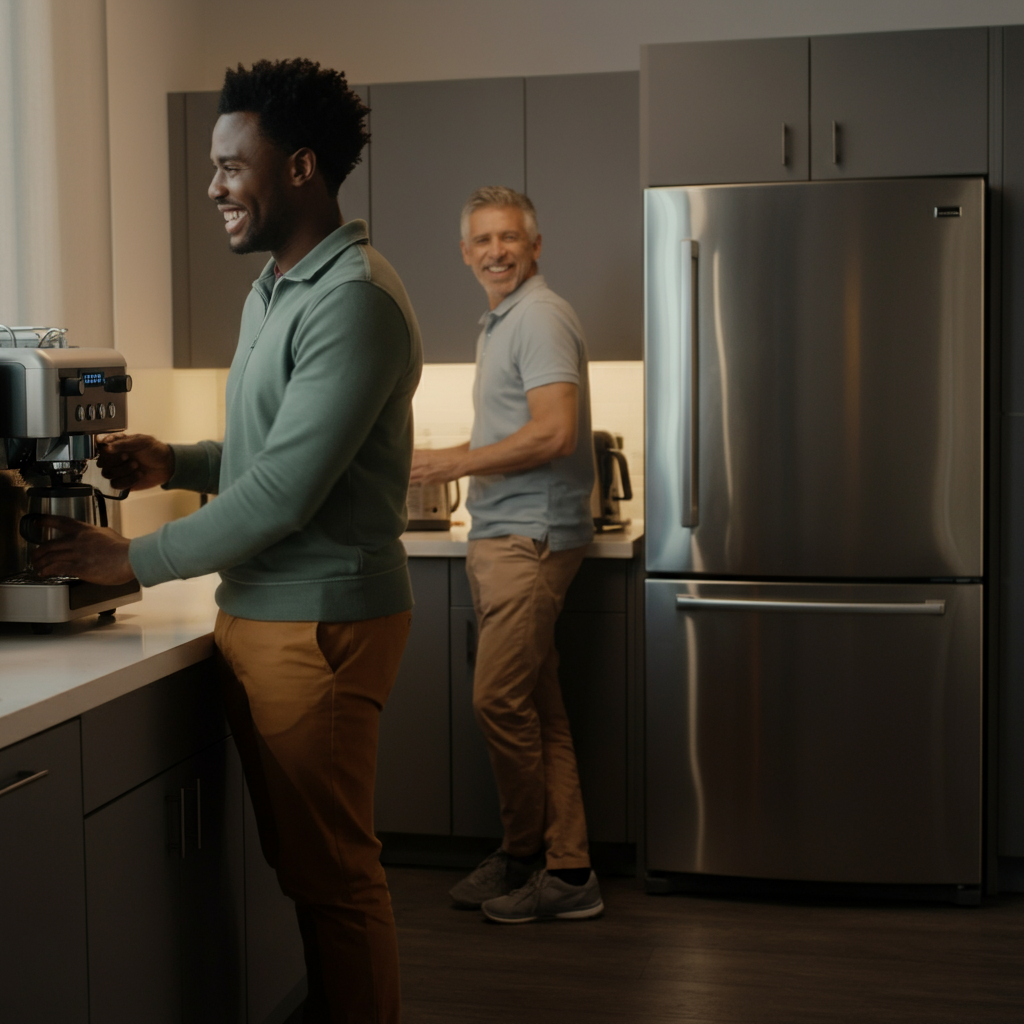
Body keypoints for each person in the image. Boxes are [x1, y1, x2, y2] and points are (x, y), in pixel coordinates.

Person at [32, 58, 422, 1024]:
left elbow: (288, 491)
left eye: (229, 167)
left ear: (298, 167)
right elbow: (265, 452)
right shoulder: (276, 291)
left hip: (317, 626)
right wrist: (179, 459)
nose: (213, 189)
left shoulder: (354, 299)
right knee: (306, 869)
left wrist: (129, 560)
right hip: (262, 616)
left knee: (335, 880)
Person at [411, 185, 602, 924]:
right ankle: (564, 866)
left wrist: (450, 464)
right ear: (466, 253)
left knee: (497, 698)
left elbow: (555, 433)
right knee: (538, 707)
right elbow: (521, 433)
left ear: (535, 245)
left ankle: (533, 854)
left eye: (509, 238)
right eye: (483, 241)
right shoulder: (501, 322)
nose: (496, 251)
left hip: (530, 537)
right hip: (504, 535)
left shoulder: (541, 317)